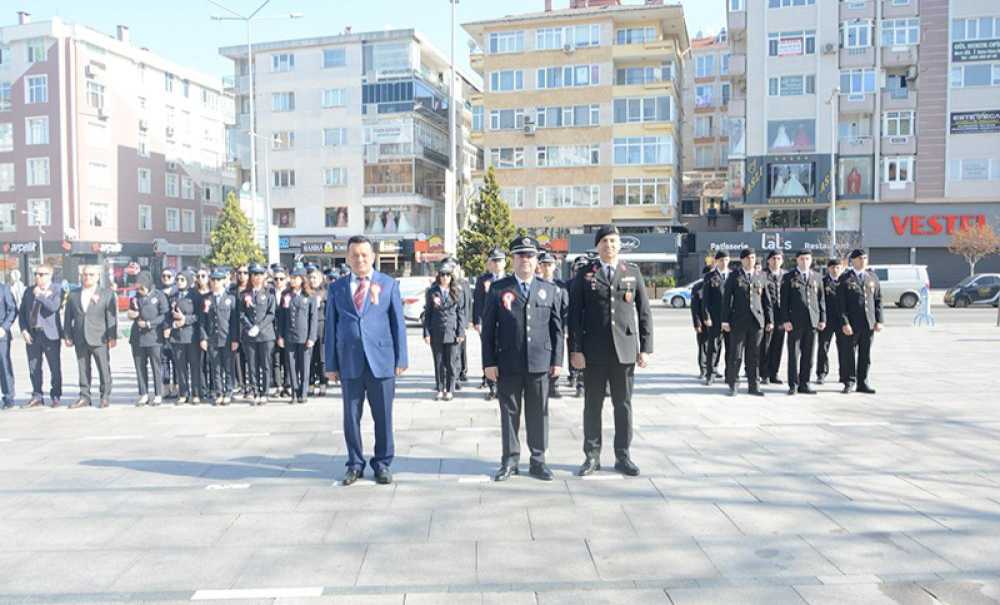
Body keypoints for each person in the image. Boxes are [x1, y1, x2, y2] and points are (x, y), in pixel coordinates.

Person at [569, 225, 653, 477]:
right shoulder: (586, 274)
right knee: (592, 405)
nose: (609, 245)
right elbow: (574, 315)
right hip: (593, 352)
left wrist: (645, 348)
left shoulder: (633, 273)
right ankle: (592, 456)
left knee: (623, 405)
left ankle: (623, 455)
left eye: (613, 241)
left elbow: (644, 312)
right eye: (604, 241)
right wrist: (576, 350)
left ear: (619, 245)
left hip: (624, 351)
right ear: (597, 246)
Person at [326, 235, 408, 486]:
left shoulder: (388, 284)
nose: (359, 259)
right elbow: (331, 326)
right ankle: (354, 463)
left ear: (372, 256)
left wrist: (401, 358)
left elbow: (398, 324)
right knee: (351, 417)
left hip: (381, 361)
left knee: (383, 416)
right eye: (354, 255)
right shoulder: (337, 287)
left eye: (364, 254)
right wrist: (330, 365)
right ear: (347, 258)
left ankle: (382, 463)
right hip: (349, 361)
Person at [482, 237, 563, 482]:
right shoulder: (499, 289)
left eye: (529, 255)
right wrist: (489, 362)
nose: (525, 260)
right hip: (508, 362)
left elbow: (557, 328)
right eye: (520, 255)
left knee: (538, 414)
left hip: (540, 362)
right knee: (509, 413)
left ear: (537, 260)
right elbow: (488, 329)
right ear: (512, 260)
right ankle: (510, 461)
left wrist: (557, 360)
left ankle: (538, 461)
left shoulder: (549, 289)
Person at [721, 248, 772, 397]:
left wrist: (769, 320)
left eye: (753, 258)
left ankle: (754, 385)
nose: (751, 260)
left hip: (757, 322)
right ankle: (733, 384)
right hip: (738, 321)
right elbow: (727, 300)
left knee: (754, 355)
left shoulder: (761, 276)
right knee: (735, 354)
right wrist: (725, 320)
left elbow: (766, 300)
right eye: (748, 258)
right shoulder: (734, 276)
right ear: (742, 260)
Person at [64, 265, 117, 408]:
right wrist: (67, 335)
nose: (87, 277)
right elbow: (68, 317)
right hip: (80, 337)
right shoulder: (73, 294)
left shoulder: (106, 293)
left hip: (99, 337)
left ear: (98, 277)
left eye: (91, 275)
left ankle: (105, 396)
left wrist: (112, 337)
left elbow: (111, 317)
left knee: (103, 368)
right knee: (83, 368)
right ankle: (84, 397)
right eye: (85, 274)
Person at [779, 250, 825, 395]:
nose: (805, 261)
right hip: (794, 322)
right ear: (797, 260)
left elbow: (821, 300)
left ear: (811, 260)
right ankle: (793, 384)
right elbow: (784, 301)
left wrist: (822, 318)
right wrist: (785, 320)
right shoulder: (789, 277)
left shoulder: (817, 277)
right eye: (802, 259)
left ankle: (805, 383)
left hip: (812, 321)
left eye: (807, 259)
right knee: (794, 355)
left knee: (809, 355)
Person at [837, 249, 882, 394]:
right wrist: (845, 322)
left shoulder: (872, 277)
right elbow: (841, 303)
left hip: (868, 322)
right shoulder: (845, 278)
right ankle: (849, 381)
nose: (863, 261)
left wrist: (879, 320)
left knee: (865, 354)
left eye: (865, 258)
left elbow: (878, 300)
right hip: (851, 323)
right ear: (853, 261)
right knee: (848, 354)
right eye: (860, 258)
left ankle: (863, 382)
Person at [19, 264, 63, 408]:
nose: (37, 276)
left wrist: (40, 295)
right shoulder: (28, 291)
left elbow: (53, 307)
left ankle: (55, 396)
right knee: (34, 367)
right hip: (33, 334)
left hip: (50, 335)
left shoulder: (56, 289)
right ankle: (37, 395)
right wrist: (24, 330)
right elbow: (22, 313)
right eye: (36, 274)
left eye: (41, 274)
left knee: (54, 367)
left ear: (49, 275)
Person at [423, 260, 466, 401]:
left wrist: (460, 332)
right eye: (442, 275)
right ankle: (440, 388)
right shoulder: (432, 292)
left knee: (451, 363)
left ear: (451, 277)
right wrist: (426, 333)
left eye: (448, 275)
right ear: (439, 276)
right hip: (436, 332)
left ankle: (450, 388)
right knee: (439, 362)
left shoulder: (457, 291)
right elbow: (428, 313)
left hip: (452, 332)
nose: (445, 278)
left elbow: (461, 313)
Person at [278, 266, 318, 404]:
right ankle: (294, 393)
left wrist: (312, 337)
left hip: (305, 337)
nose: (293, 280)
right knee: (291, 365)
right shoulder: (285, 295)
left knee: (304, 366)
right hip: (289, 336)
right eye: (292, 277)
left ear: (302, 279)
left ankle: (303, 392)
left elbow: (313, 318)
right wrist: (280, 336)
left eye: (296, 278)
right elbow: (281, 317)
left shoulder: (310, 296)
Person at [129, 271, 168, 406]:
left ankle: (158, 393)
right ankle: (144, 394)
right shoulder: (135, 297)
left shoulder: (159, 295)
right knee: (140, 366)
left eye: (142, 287)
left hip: (154, 337)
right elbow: (132, 312)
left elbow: (164, 315)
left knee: (155, 366)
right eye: (138, 287)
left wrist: (149, 324)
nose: (141, 290)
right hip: (138, 337)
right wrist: (132, 314)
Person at [200, 268, 239, 406]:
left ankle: (228, 391)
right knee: (215, 368)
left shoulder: (231, 298)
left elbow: (234, 321)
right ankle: (219, 392)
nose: (215, 282)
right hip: (212, 338)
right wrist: (203, 338)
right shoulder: (207, 299)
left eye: (218, 279)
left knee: (228, 367)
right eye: (213, 279)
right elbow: (202, 321)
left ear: (224, 281)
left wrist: (235, 339)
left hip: (227, 338)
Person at [240, 263, 277, 405]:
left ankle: (265, 392)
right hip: (249, 335)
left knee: (266, 364)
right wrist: (250, 327)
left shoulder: (269, 293)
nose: (257, 277)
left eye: (260, 274)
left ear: (264, 276)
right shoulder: (245, 294)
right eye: (254, 274)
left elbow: (271, 314)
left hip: (266, 335)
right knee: (252, 365)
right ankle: (255, 391)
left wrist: (258, 327)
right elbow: (242, 314)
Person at [473, 247, 507, 400]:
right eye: (494, 261)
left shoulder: (510, 279)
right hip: (488, 323)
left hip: (506, 323)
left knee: (504, 353)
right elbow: (478, 302)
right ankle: (492, 386)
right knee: (488, 351)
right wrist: (477, 321)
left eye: (499, 260)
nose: (497, 264)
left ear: (505, 263)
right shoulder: (483, 280)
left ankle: (503, 385)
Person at [167, 271, 201, 405]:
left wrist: (185, 319)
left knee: (194, 366)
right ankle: (183, 393)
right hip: (177, 337)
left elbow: (199, 316)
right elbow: (167, 315)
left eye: (182, 279)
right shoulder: (172, 295)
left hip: (192, 336)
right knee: (180, 367)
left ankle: (196, 393)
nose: (179, 281)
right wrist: (174, 324)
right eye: (177, 279)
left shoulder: (195, 295)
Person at [537, 251, 566, 400]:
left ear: (554, 266)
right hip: (541, 325)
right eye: (544, 264)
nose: (547, 267)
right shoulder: (536, 284)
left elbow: (566, 306)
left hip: (558, 324)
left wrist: (565, 325)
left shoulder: (561, 285)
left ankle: (554, 385)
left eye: (550, 264)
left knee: (557, 354)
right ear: (539, 266)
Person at [699, 251, 730, 385]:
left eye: (726, 260)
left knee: (731, 347)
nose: (724, 262)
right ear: (716, 262)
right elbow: (705, 299)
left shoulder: (734, 275)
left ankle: (730, 375)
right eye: (721, 260)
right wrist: (706, 316)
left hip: (731, 318)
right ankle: (710, 374)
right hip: (715, 317)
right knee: (713, 347)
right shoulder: (709, 276)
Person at [816, 259, 845, 385]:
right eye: (832, 267)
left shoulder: (846, 281)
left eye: (838, 267)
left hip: (842, 321)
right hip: (827, 321)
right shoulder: (822, 282)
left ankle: (844, 375)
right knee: (823, 348)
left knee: (844, 349)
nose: (835, 270)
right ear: (828, 269)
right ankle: (821, 373)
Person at [760, 251, 785, 385]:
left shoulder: (786, 275)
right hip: (765, 316)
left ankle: (774, 373)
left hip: (781, 317)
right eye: (773, 258)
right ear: (768, 261)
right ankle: (764, 374)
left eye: (778, 258)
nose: (776, 261)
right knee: (766, 345)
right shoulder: (762, 275)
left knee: (778, 345)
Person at [307, 264, 330, 397]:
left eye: (315, 277)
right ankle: (310, 385)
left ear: (321, 279)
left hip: (322, 327)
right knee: (309, 358)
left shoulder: (326, 293)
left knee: (321, 358)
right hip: (309, 327)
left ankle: (322, 383)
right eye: (311, 277)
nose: (313, 280)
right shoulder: (307, 293)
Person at [158, 268, 179, 399]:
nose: (166, 278)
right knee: (164, 361)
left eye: (169, 276)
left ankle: (177, 387)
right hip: (161, 332)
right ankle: (165, 387)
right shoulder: (158, 293)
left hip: (176, 331)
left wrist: (172, 327)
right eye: (164, 276)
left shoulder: (178, 293)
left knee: (177, 361)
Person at [690, 266, 711, 380]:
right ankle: (703, 370)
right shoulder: (698, 288)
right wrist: (697, 324)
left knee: (714, 347)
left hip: (715, 323)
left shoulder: (717, 286)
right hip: (702, 323)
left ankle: (713, 369)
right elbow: (694, 308)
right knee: (703, 347)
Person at [0, 278, 16, 409]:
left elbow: (12, 309)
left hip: (1, 334)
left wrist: (4, 327)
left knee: (4, 366)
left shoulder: (4, 289)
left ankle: (8, 397)